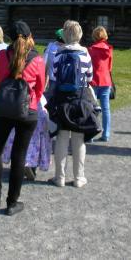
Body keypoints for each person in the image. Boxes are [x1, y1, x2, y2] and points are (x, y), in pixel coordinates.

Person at [0, 21, 45, 216]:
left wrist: (4, 101)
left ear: (10, 38)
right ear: (30, 35)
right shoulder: (37, 59)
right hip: (28, 111)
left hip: (4, 109)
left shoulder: (2, 56)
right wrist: (32, 102)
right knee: (19, 155)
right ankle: (12, 203)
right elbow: (40, 88)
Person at [49, 20, 94, 188]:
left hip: (62, 99)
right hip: (80, 99)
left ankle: (59, 177)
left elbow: (54, 75)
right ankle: (78, 178)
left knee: (61, 138)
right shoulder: (85, 54)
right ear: (80, 35)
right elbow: (89, 77)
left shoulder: (59, 54)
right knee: (78, 139)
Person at [2, 94, 52, 181]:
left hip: (18, 101)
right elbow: (40, 88)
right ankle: (32, 166)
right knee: (36, 135)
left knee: (16, 134)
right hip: (35, 103)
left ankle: (16, 166)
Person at [88, 26, 113, 142]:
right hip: (106, 80)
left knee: (92, 108)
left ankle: (91, 133)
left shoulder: (91, 49)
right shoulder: (109, 49)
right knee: (106, 108)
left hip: (94, 80)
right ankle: (106, 133)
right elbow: (110, 67)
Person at [43, 29, 64, 93]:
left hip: (52, 78)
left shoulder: (51, 46)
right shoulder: (67, 48)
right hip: (62, 79)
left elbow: (45, 62)